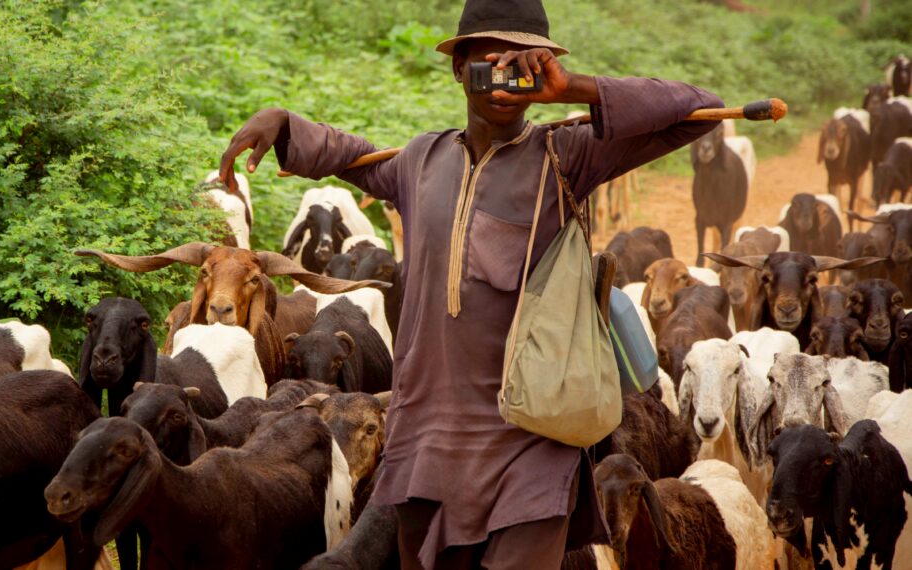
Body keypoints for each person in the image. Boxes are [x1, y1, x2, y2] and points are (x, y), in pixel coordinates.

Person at [219, 0, 723, 567]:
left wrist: (573, 89)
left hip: (530, 440)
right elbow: (352, 156)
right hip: (426, 441)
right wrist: (284, 123)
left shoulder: (568, 155)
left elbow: (700, 109)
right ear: (458, 69)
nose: (505, 82)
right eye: (488, 64)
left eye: (523, 68)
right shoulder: (420, 161)